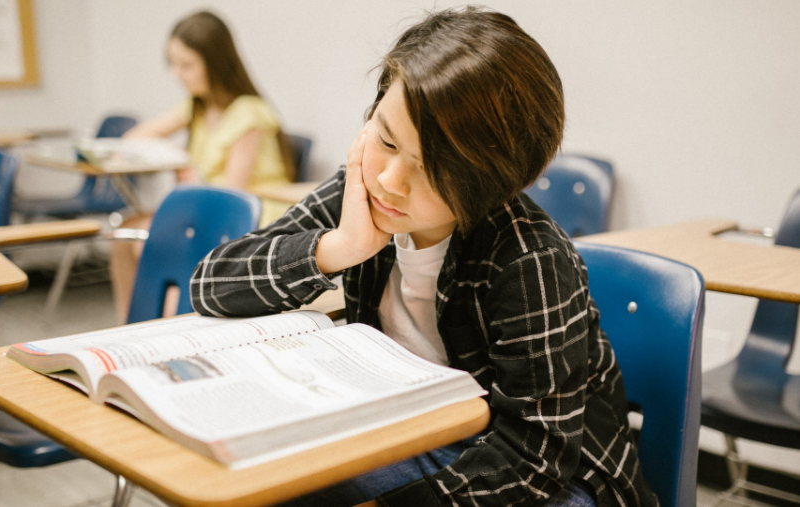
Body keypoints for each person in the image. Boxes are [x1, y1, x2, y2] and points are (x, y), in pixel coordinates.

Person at [190, 7, 658, 507]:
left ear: (493, 181)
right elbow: (210, 283)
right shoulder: (363, 193)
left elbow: (533, 459)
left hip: (549, 476)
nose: (391, 179)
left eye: (431, 168)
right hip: (415, 434)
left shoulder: (530, 258)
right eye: (386, 139)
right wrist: (338, 249)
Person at [110, 10, 293, 323]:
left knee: (156, 242)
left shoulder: (249, 113)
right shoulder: (196, 106)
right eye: (173, 64)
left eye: (186, 65)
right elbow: (133, 139)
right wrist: (176, 154)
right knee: (125, 231)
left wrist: (190, 172)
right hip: (204, 206)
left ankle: (166, 325)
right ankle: (131, 324)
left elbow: (232, 194)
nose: (177, 74)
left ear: (215, 63)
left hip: (252, 212)